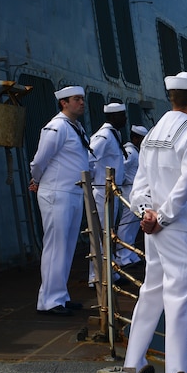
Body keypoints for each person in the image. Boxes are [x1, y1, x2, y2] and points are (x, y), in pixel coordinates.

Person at [123, 71, 187, 373]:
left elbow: (138, 187)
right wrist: (163, 216)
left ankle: (133, 369)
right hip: (179, 230)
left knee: (151, 294)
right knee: (181, 304)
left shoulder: (153, 135)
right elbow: (186, 185)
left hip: (154, 232)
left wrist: (146, 213)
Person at [29, 85, 90, 316]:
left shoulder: (76, 127)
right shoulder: (56, 127)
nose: (81, 103)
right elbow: (39, 160)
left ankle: (60, 296)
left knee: (66, 247)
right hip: (57, 193)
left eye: (82, 99)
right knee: (56, 247)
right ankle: (49, 301)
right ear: (64, 103)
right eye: (77, 99)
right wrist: (36, 180)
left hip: (73, 193)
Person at [88, 102, 127, 286]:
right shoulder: (104, 136)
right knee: (101, 234)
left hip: (112, 191)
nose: (125, 119)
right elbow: (88, 157)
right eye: (122, 115)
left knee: (108, 233)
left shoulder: (114, 134)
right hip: (103, 191)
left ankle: (109, 272)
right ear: (113, 117)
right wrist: (95, 181)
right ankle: (96, 276)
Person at [115, 125, 148, 267]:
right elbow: (120, 168)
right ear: (135, 138)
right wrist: (121, 183)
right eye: (141, 139)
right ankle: (122, 255)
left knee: (134, 224)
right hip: (129, 190)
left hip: (135, 191)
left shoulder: (136, 152)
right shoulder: (130, 152)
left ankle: (130, 252)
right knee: (126, 224)